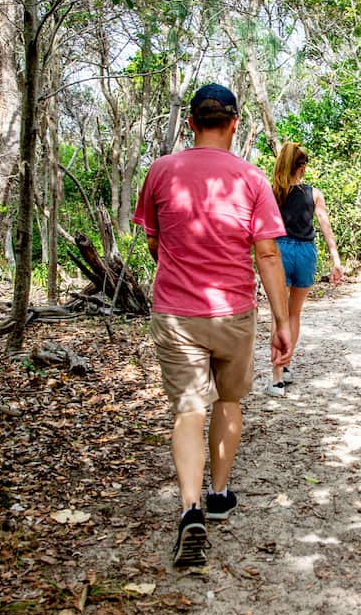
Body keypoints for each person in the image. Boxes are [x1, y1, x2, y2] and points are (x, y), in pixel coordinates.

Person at [132, 83, 291, 568]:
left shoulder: (161, 170)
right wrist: (281, 321)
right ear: (235, 124)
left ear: (191, 123)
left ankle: (190, 508)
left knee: (188, 410)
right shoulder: (252, 178)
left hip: (176, 313)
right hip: (233, 313)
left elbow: (155, 241)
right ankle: (219, 494)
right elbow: (267, 253)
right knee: (228, 400)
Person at [263, 141, 344, 396]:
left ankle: (277, 378)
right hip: (306, 253)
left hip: (279, 251)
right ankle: (285, 364)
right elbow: (325, 227)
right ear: (303, 167)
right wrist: (336, 260)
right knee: (294, 313)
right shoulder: (314, 194)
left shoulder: (271, 192)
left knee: (278, 314)